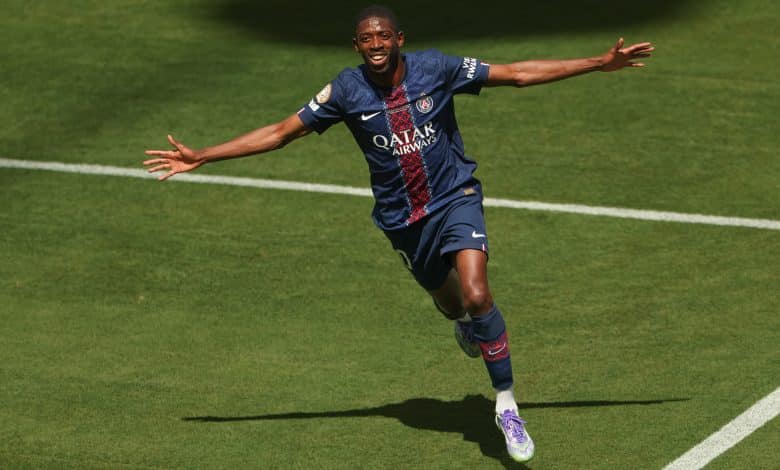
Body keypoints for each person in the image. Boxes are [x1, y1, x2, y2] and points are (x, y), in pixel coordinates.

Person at [144, 5, 653, 463]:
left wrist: (595, 63)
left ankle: (506, 406)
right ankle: (463, 322)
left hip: (456, 199)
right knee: (454, 305)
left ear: (399, 38)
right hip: (404, 223)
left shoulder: (438, 68)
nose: (377, 44)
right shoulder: (345, 91)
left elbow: (516, 74)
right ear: (357, 47)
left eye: (384, 35)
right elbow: (280, 133)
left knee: (478, 293)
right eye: (367, 39)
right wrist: (203, 155)